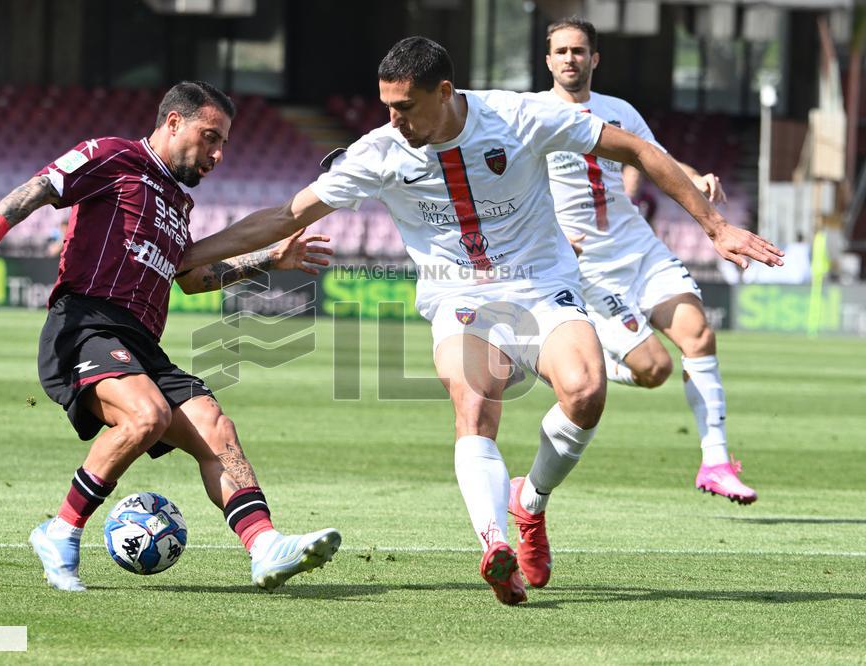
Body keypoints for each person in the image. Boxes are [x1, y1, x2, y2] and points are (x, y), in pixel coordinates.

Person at [174, 38, 782, 605]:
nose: (393, 120)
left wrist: (716, 227)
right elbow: (286, 213)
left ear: (444, 94)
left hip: (542, 284)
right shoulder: (378, 153)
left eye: (405, 107)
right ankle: (494, 543)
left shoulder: (519, 117)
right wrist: (192, 253)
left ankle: (531, 501)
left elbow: (638, 150)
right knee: (475, 401)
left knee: (586, 392)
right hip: (456, 295)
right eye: (386, 106)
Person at [0, 81, 341, 592]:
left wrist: (269, 259)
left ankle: (265, 546)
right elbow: (44, 185)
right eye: (210, 137)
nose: (218, 154)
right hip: (85, 323)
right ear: (174, 123)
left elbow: (190, 277)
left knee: (215, 429)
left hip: (141, 342)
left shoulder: (178, 205)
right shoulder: (112, 156)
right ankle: (60, 531)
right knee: (147, 416)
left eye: (223, 142)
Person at [538, 17, 764, 504]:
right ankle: (587, 358)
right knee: (655, 370)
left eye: (579, 51)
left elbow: (653, 158)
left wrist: (694, 176)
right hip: (588, 266)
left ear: (593, 59)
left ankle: (716, 461)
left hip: (638, 248)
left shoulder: (618, 111)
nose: (570, 59)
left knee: (698, 334)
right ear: (548, 60)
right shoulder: (532, 115)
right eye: (561, 51)